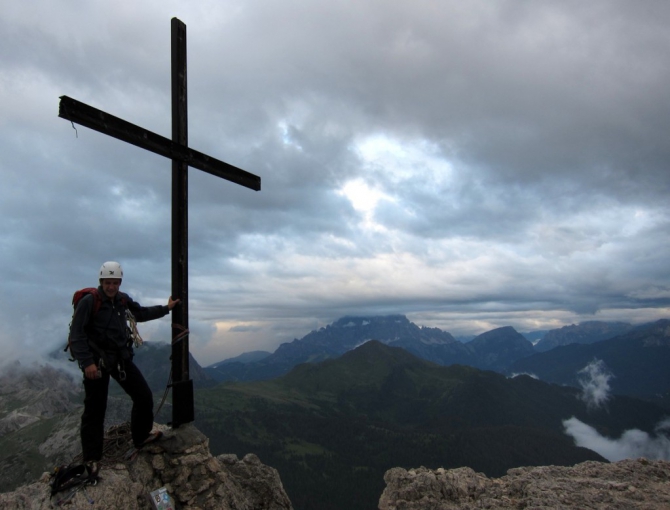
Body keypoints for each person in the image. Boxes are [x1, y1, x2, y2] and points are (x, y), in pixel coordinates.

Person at [69, 261, 180, 475]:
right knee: (95, 410)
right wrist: (87, 363)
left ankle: (140, 437)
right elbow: (77, 334)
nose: (111, 286)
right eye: (107, 282)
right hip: (97, 363)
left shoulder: (121, 300)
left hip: (120, 359)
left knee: (144, 396)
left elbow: (139, 313)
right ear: (101, 282)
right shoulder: (90, 302)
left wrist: (166, 309)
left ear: (120, 282)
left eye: (115, 282)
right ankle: (91, 459)